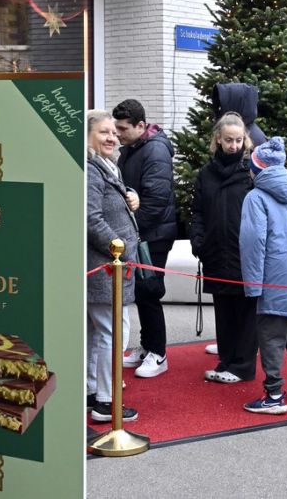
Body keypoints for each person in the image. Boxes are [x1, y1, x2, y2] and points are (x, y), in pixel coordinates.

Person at [240, 137, 287, 414]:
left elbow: (253, 243)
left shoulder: (255, 197)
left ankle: (274, 395)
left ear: (257, 169)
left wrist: (252, 284)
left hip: (273, 277)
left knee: (271, 337)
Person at [189, 112, 257, 383]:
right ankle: (227, 360)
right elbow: (197, 211)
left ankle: (242, 365)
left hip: (243, 253)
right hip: (215, 251)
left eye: (238, 140)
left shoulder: (249, 171)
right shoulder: (207, 173)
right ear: (218, 139)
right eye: (228, 140)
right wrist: (198, 241)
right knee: (223, 310)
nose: (233, 145)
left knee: (245, 311)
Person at [112, 99, 177, 378]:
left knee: (149, 291)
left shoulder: (155, 151)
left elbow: (156, 200)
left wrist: (131, 229)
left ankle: (159, 353)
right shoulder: (132, 148)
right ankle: (147, 345)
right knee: (140, 291)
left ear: (141, 126)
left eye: (122, 129)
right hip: (141, 233)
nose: (117, 134)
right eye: (115, 128)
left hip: (153, 235)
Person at [86, 110, 140, 423]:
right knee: (113, 333)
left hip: (112, 268)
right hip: (106, 268)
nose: (111, 137)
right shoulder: (92, 170)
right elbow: (91, 218)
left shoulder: (106, 166)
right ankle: (106, 402)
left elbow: (110, 204)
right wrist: (117, 246)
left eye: (113, 132)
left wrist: (131, 197)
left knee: (100, 333)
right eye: (104, 132)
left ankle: (93, 391)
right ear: (88, 137)